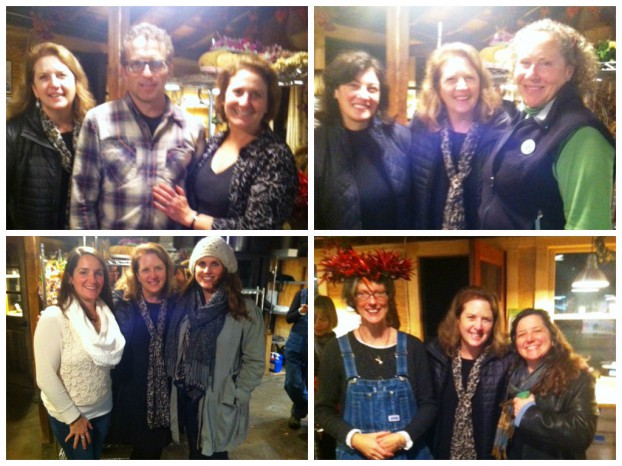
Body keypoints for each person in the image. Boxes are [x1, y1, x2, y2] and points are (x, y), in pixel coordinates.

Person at [479, 19, 615, 229]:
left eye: (546, 63)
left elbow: (588, 229)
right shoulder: (524, 117)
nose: (532, 74)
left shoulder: (582, 135)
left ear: (569, 71)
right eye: (524, 63)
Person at [70, 22, 205, 229]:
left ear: (169, 69)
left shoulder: (193, 127)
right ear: (124, 71)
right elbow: (82, 203)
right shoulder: (98, 121)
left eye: (157, 64)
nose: (147, 73)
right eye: (136, 64)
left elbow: (198, 201)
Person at [152, 53, 298, 230]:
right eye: (238, 92)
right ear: (223, 98)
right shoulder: (212, 143)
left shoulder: (276, 156)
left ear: (268, 104)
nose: (245, 102)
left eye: (256, 95)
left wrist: (190, 218)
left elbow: (259, 228)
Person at [315, 248, 436, 460]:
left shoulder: (413, 347)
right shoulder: (335, 350)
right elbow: (323, 410)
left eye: (379, 293)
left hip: (409, 455)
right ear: (353, 300)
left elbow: (429, 405)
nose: (372, 302)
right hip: (356, 454)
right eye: (363, 294)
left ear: (389, 297)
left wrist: (402, 437)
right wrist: (355, 438)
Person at [166, 237, 265, 459]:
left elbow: (255, 361)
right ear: (194, 268)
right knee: (193, 451)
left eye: (215, 264)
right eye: (201, 264)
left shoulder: (243, 310)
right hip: (186, 394)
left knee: (214, 455)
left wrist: (236, 393)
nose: (207, 270)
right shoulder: (183, 303)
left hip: (218, 399)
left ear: (226, 268)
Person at [33, 247, 125, 459]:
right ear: (70, 278)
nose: (92, 279)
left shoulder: (107, 313)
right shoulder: (54, 318)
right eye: (83, 272)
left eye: (98, 272)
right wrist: (74, 418)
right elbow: (45, 376)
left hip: (103, 409)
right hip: (72, 415)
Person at [410, 42, 508, 229]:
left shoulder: (501, 130)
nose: (462, 86)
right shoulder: (421, 127)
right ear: (437, 87)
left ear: (481, 83)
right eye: (451, 79)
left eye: (470, 78)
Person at [314, 51, 413, 229]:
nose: (364, 95)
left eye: (372, 88)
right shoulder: (318, 145)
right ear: (335, 91)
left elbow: (413, 205)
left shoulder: (401, 138)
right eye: (353, 85)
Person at [7, 42, 95, 229]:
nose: (54, 84)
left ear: (75, 82)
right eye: (44, 77)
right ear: (34, 89)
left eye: (62, 75)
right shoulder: (12, 133)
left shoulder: (95, 129)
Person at [492, 309, 598, 459]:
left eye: (537, 331)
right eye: (522, 334)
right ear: (515, 343)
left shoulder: (577, 377)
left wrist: (529, 414)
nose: (529, 338)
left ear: (553, 337)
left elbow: (582, 433)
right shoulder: (509, 376)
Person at [426, 286, 511, 459]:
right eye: (471, 317)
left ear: (494, 324)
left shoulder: (505, 360)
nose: (478, 326)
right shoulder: (435, 356)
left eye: (486, 319)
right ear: (457, 319)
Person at [109, 243, 177, 459]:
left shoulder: (178, 302)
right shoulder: (123, 304)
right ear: (136, 275)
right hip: (133, 392)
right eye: (145, 269)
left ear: (167, 270)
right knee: (144, 449)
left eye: (158, 268)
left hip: (166, 393)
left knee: (153, 449)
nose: (153, 275)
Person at [313, 295, 338, 460]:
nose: (317, 324)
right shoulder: (309, 342)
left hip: (331, 403)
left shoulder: (337, 344)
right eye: (314, 318)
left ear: (331, 320)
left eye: (322, 319)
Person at [284, 288, 308, 429]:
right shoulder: (301, 294)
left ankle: (297, 414)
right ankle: (312, 409)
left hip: (312, 348)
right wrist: (300, 312)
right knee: (292, 384)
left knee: (307, 384)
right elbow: (288, 318)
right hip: (295, 345)